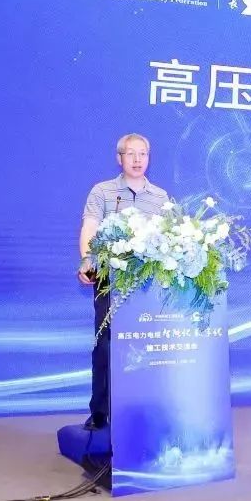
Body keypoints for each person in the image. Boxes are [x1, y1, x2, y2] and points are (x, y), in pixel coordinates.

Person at [78, 133, 170, 430]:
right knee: (106, 344)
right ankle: (100, 412)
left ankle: (144, 408)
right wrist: (87, 260)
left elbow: (168, 238)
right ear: (120, 158)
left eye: (143, 154)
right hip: (111, 278)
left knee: (147, 344)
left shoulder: (160, 197)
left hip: (147, 283)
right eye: (131, 154)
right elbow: (90, 228)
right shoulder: (103, 192)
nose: (137, 159)